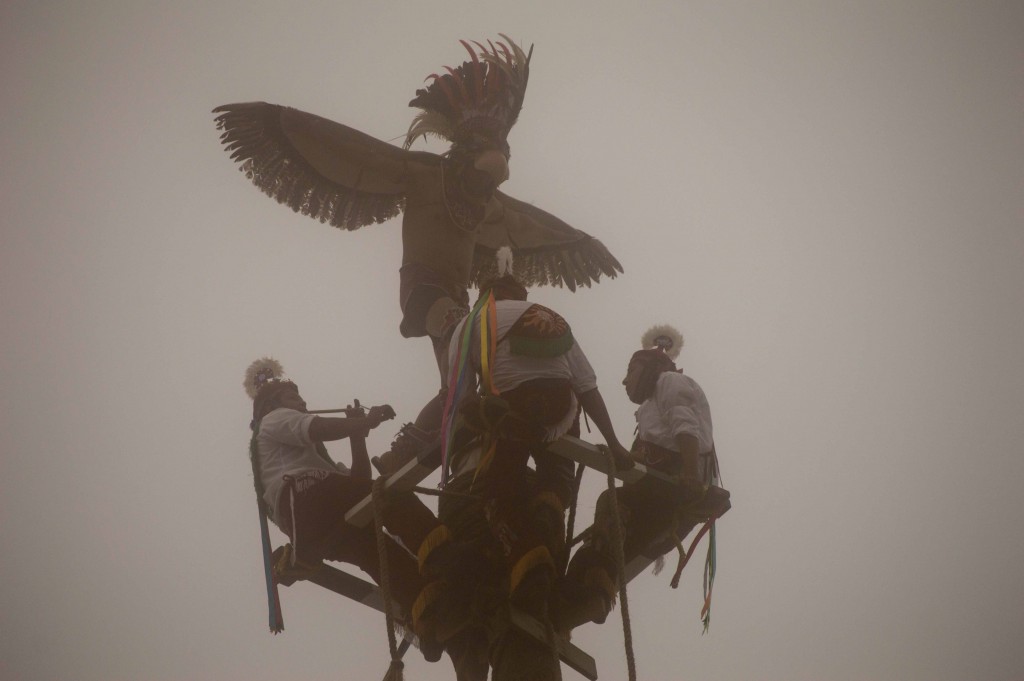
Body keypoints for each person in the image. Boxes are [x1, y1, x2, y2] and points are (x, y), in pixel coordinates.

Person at [244, 358, 452, 660]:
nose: (302, 400)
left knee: (377, 555)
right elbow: (318, 427)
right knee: (392, 497)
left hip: (313, 521)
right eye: (293, 395)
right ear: (272, 403)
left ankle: (429, 620)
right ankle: (442, 554)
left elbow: (357, 485)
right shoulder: (274, 419)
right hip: (307, 497)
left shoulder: (306, 455)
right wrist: (365, 422)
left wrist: (357, 434)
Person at [558, 325, 722, 631]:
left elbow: (686, 428)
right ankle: (575, 608)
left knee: (611, 503)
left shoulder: (670, 381)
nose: (624, 379)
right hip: (658, 490)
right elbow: (656, 449)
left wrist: (688, 475)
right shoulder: (649, 407)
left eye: (631, 369)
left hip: (674, 486)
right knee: (597, 552)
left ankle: (591, 598)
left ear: (651, 367)